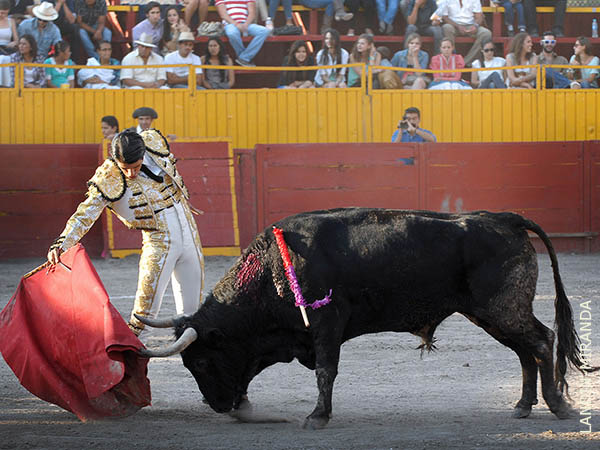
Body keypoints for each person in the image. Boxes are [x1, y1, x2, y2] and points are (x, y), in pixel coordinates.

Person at [46, 128, 205, 337]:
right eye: (125, 169)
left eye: (136, 167)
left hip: (190, 235)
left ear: (143, 155)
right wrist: (63, 242)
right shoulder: (109, 176)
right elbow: (86, 213)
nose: (131, 174)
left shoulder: (154, 144)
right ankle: (132, 356)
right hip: (159, 243)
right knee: (143, 316)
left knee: (193, 314)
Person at [215, 0, 271, 67]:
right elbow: (223, 15)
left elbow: (252, 13)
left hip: (246, 23)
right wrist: (236, 24)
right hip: (230, 24)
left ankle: (243, 58)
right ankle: (244, 59)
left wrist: (246, 24)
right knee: (232, 33)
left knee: (264, 31)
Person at [439, 0, 491, 67]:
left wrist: (475, 25)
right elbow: (445, 17)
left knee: (486, 33)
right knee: (447, 27)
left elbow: (479, 16)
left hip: (470, 25)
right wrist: (458, 26)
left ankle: (465, 62)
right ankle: (451, 60)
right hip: (454, 25)